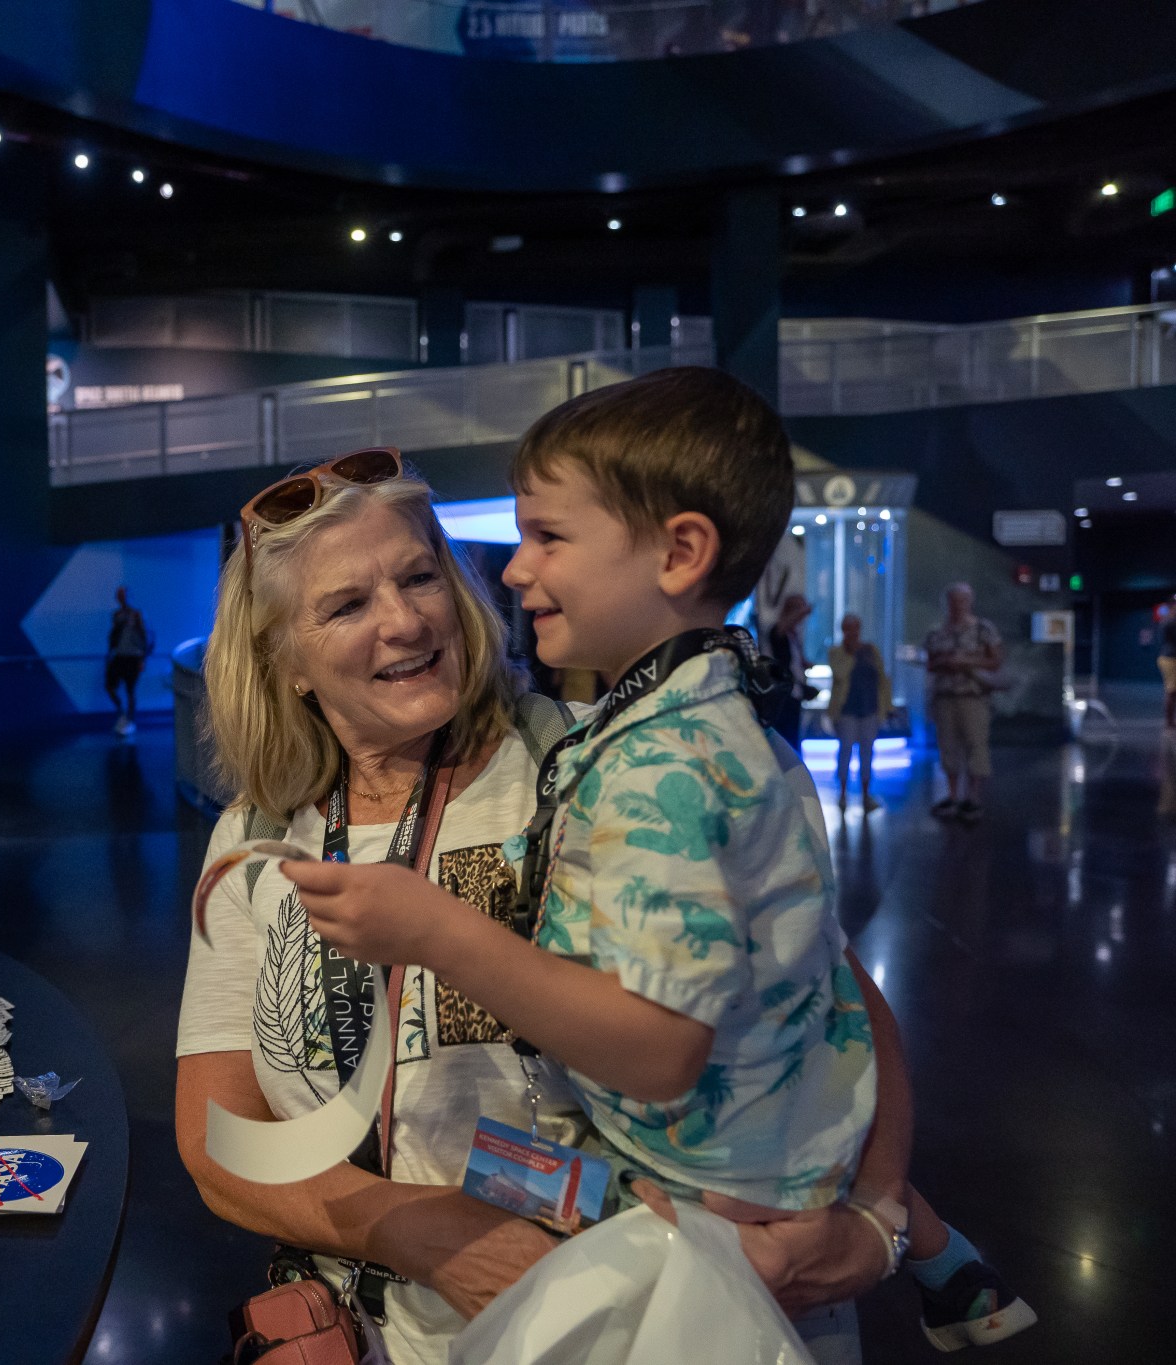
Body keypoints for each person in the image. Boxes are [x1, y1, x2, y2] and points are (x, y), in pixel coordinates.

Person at [290, 372, 1034, 1356]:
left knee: (502, 1183)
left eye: (545, 537)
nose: (511, 573)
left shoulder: (656, 764)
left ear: (680, 551)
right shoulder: (706, 719)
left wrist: (433, 930)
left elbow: (660, 1049)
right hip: (759, 1151)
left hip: (699, 1192)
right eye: (344, 603)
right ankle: (950, 1263)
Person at [177, 442, 911, 1365]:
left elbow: (835, 1002)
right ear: (286, 660)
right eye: (347, 604)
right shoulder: (260, 836)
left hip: (644, 1322)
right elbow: (219, 1142)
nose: (404, 621)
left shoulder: (611, 769)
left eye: (420, 576)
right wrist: (408, 1229)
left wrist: (877, 1223)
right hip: (376, 1333)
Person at [923, 583, 1004, 822]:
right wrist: (947, 663)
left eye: (962, 601)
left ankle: (973, 796)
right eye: (953, 601)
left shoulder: (983, 629)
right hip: (945, 697)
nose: (958, 606)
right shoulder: (937, 633)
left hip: (973, 697)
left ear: (970, 602)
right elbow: (930, 663)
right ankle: (952, 795)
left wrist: (967, 663)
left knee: (975, 744)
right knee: (947, 745)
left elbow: (996, 660)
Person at [828, 613, 892, 813]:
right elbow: (840, 673)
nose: (852, 633)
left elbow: (882, 678)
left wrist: (887, 706)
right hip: (847, 710)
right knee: (845, 750)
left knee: (867, 751)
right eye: (848, 628)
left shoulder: (871, 650)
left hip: (869, 708)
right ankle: (843, 794)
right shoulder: (836, 652)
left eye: (855, 628)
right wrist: (851, 653)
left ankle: (866, 795)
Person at [765, 591, 815, 752]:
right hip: (784, 694)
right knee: (785, 739)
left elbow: (794, 661)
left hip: (795, 693)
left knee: (793, 737)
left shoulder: (793, 635)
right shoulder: (778, 631)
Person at [105, 585, 150, 735]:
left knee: (130, 689)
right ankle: (121, 712)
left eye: (123, 595)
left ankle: (130, 720)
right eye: (119, 595)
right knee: (110, 686)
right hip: (119, 655)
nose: (121, 598)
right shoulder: (117, 615)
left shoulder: (136, 615)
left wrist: (143, 659)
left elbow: (144, 637)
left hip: (133, 657)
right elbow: (113, 637)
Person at [1158, 594, 1176, 729]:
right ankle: (1169, 722)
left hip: (1168, 657)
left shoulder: (1167, 620)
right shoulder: (1170, 621)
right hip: (1170, 659)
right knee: (1171, 691)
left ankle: (1170, 721)